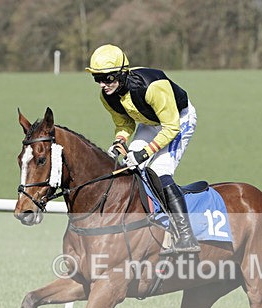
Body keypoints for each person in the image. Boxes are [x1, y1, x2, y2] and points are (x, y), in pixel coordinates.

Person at [86, 44, 200, 255]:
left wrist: (145, 152)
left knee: (159, 171)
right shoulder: (107, 96)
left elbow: (171, 127)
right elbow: (124, 123)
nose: (102, 84)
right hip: (149, 122)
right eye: (97, 79)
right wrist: (120, 141)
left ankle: (186, 236)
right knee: (129, 168)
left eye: (107, 78)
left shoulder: (152, 87)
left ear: (122, 73)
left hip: (178, 121)